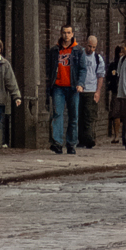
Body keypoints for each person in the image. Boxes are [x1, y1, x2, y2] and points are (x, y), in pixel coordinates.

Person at [46, 24, 87, 155]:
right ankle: (57, 143)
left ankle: (71, 144)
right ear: (61, 33)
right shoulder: (54, 50)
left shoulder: (78, 50)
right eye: (64, 33)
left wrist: (80, 83)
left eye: (69, 33)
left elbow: (83, 69)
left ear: (72, 34)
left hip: (73, 87)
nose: (66, 35)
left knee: (73, 116)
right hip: (58, 87)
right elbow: (49, 68)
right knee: (57, 114)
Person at [78, 35, 107, 149]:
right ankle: (81, 139)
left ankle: (89, 139)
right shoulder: (81, 55)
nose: (91, 49)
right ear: (86, 44)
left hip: (91, 90)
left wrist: (98, 91)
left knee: (89, 116)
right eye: (89, 46)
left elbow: (100, 76)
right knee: (79, 116)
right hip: (80, 89)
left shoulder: (98, 58)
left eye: (94, 47)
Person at [107, 44, 123, 144]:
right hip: (116, 92)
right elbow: (108, 77)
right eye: (120, 52)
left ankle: (125, 135)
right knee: (115, 114)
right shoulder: (113, 65)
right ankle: (116, 135)